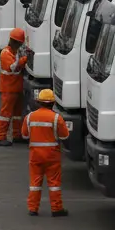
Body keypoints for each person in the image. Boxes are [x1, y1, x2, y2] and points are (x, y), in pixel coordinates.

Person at [22, 88, 70, 217]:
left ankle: (33, 208)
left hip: (35, 155)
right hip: (52, 155)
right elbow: (65, 136)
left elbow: (24, 135)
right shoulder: (56, 118)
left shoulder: (29, 117)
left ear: (39, 102)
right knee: (54, 184)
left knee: (35, 183)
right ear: (53, 103)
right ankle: (56, 209)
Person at [0, 28, 29, 146]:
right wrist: (25, 59)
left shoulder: (14, 52)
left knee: (17, 114)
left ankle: (16, 135)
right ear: (15, 42)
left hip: (16, 88)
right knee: (6, 114)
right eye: (20, 43)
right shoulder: (6, 53)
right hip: (8, 89)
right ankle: (1, 137)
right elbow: (12, 67)